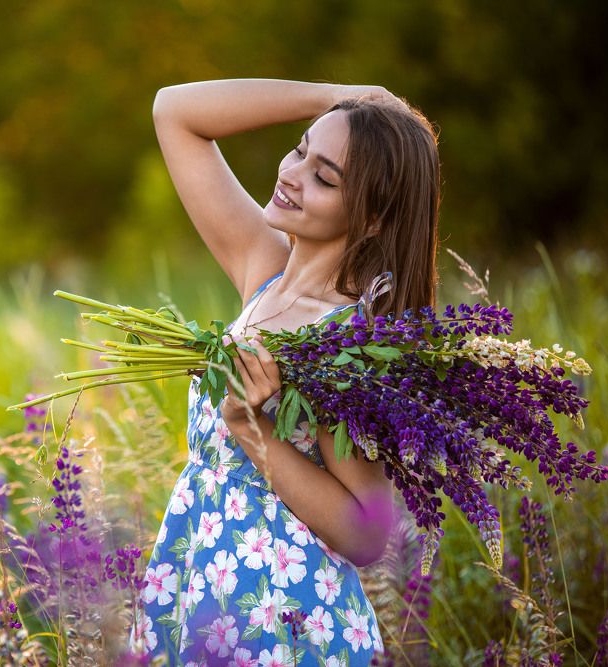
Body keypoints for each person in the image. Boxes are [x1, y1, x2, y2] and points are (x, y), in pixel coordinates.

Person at [134, 79, 440, 665]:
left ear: (374, 220)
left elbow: (368, 534)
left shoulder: (347, 344)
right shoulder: (266, 269)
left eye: (325, 178)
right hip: (197, 588)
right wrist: (335, 96)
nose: (293, 174)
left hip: (281, 620)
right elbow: (174, 111)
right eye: (301, 149)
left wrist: (256, 433)